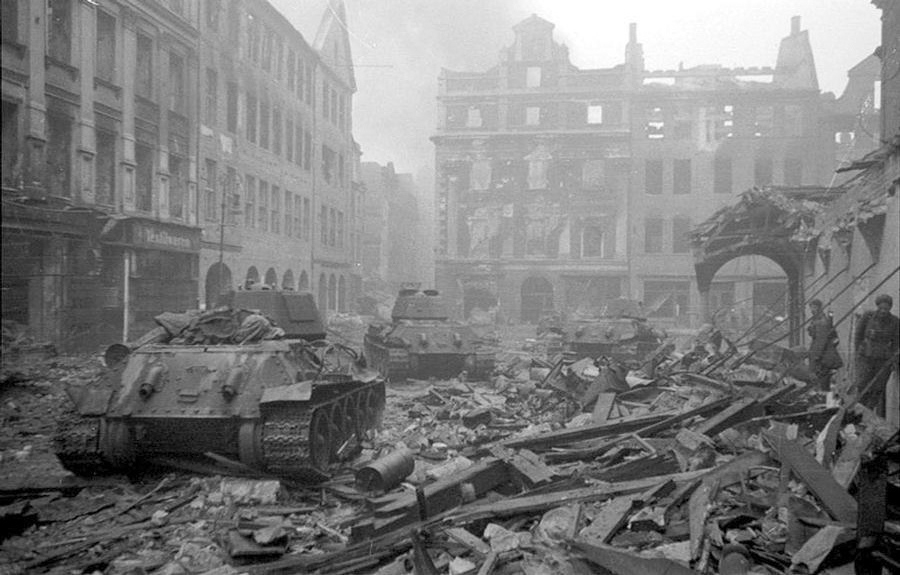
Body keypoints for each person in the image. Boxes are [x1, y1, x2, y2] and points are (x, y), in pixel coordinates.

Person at [854, 294, 900, 416]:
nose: (884, 311)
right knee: (863, 386)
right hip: (866, 358)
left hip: (883, 360)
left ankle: (868, 414)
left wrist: (894, 359)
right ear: (877, 306)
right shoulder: (868, 317)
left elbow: (896, 342)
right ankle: (858, 415)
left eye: (887, 309)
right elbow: (858, 336)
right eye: (881, 308)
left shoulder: (895, 321)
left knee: (878, 389)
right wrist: (858, 354)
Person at [807, 299, 842, 391]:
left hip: (822, 357)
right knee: (822, 383)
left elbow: (820, 342)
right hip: (822, 356)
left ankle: (825, 401)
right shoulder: (817, 320)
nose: (812, 310)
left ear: (819, 308)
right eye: (811, 307)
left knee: (822, 384)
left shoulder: (821, 323)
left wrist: (815, 358)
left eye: (814, 307)